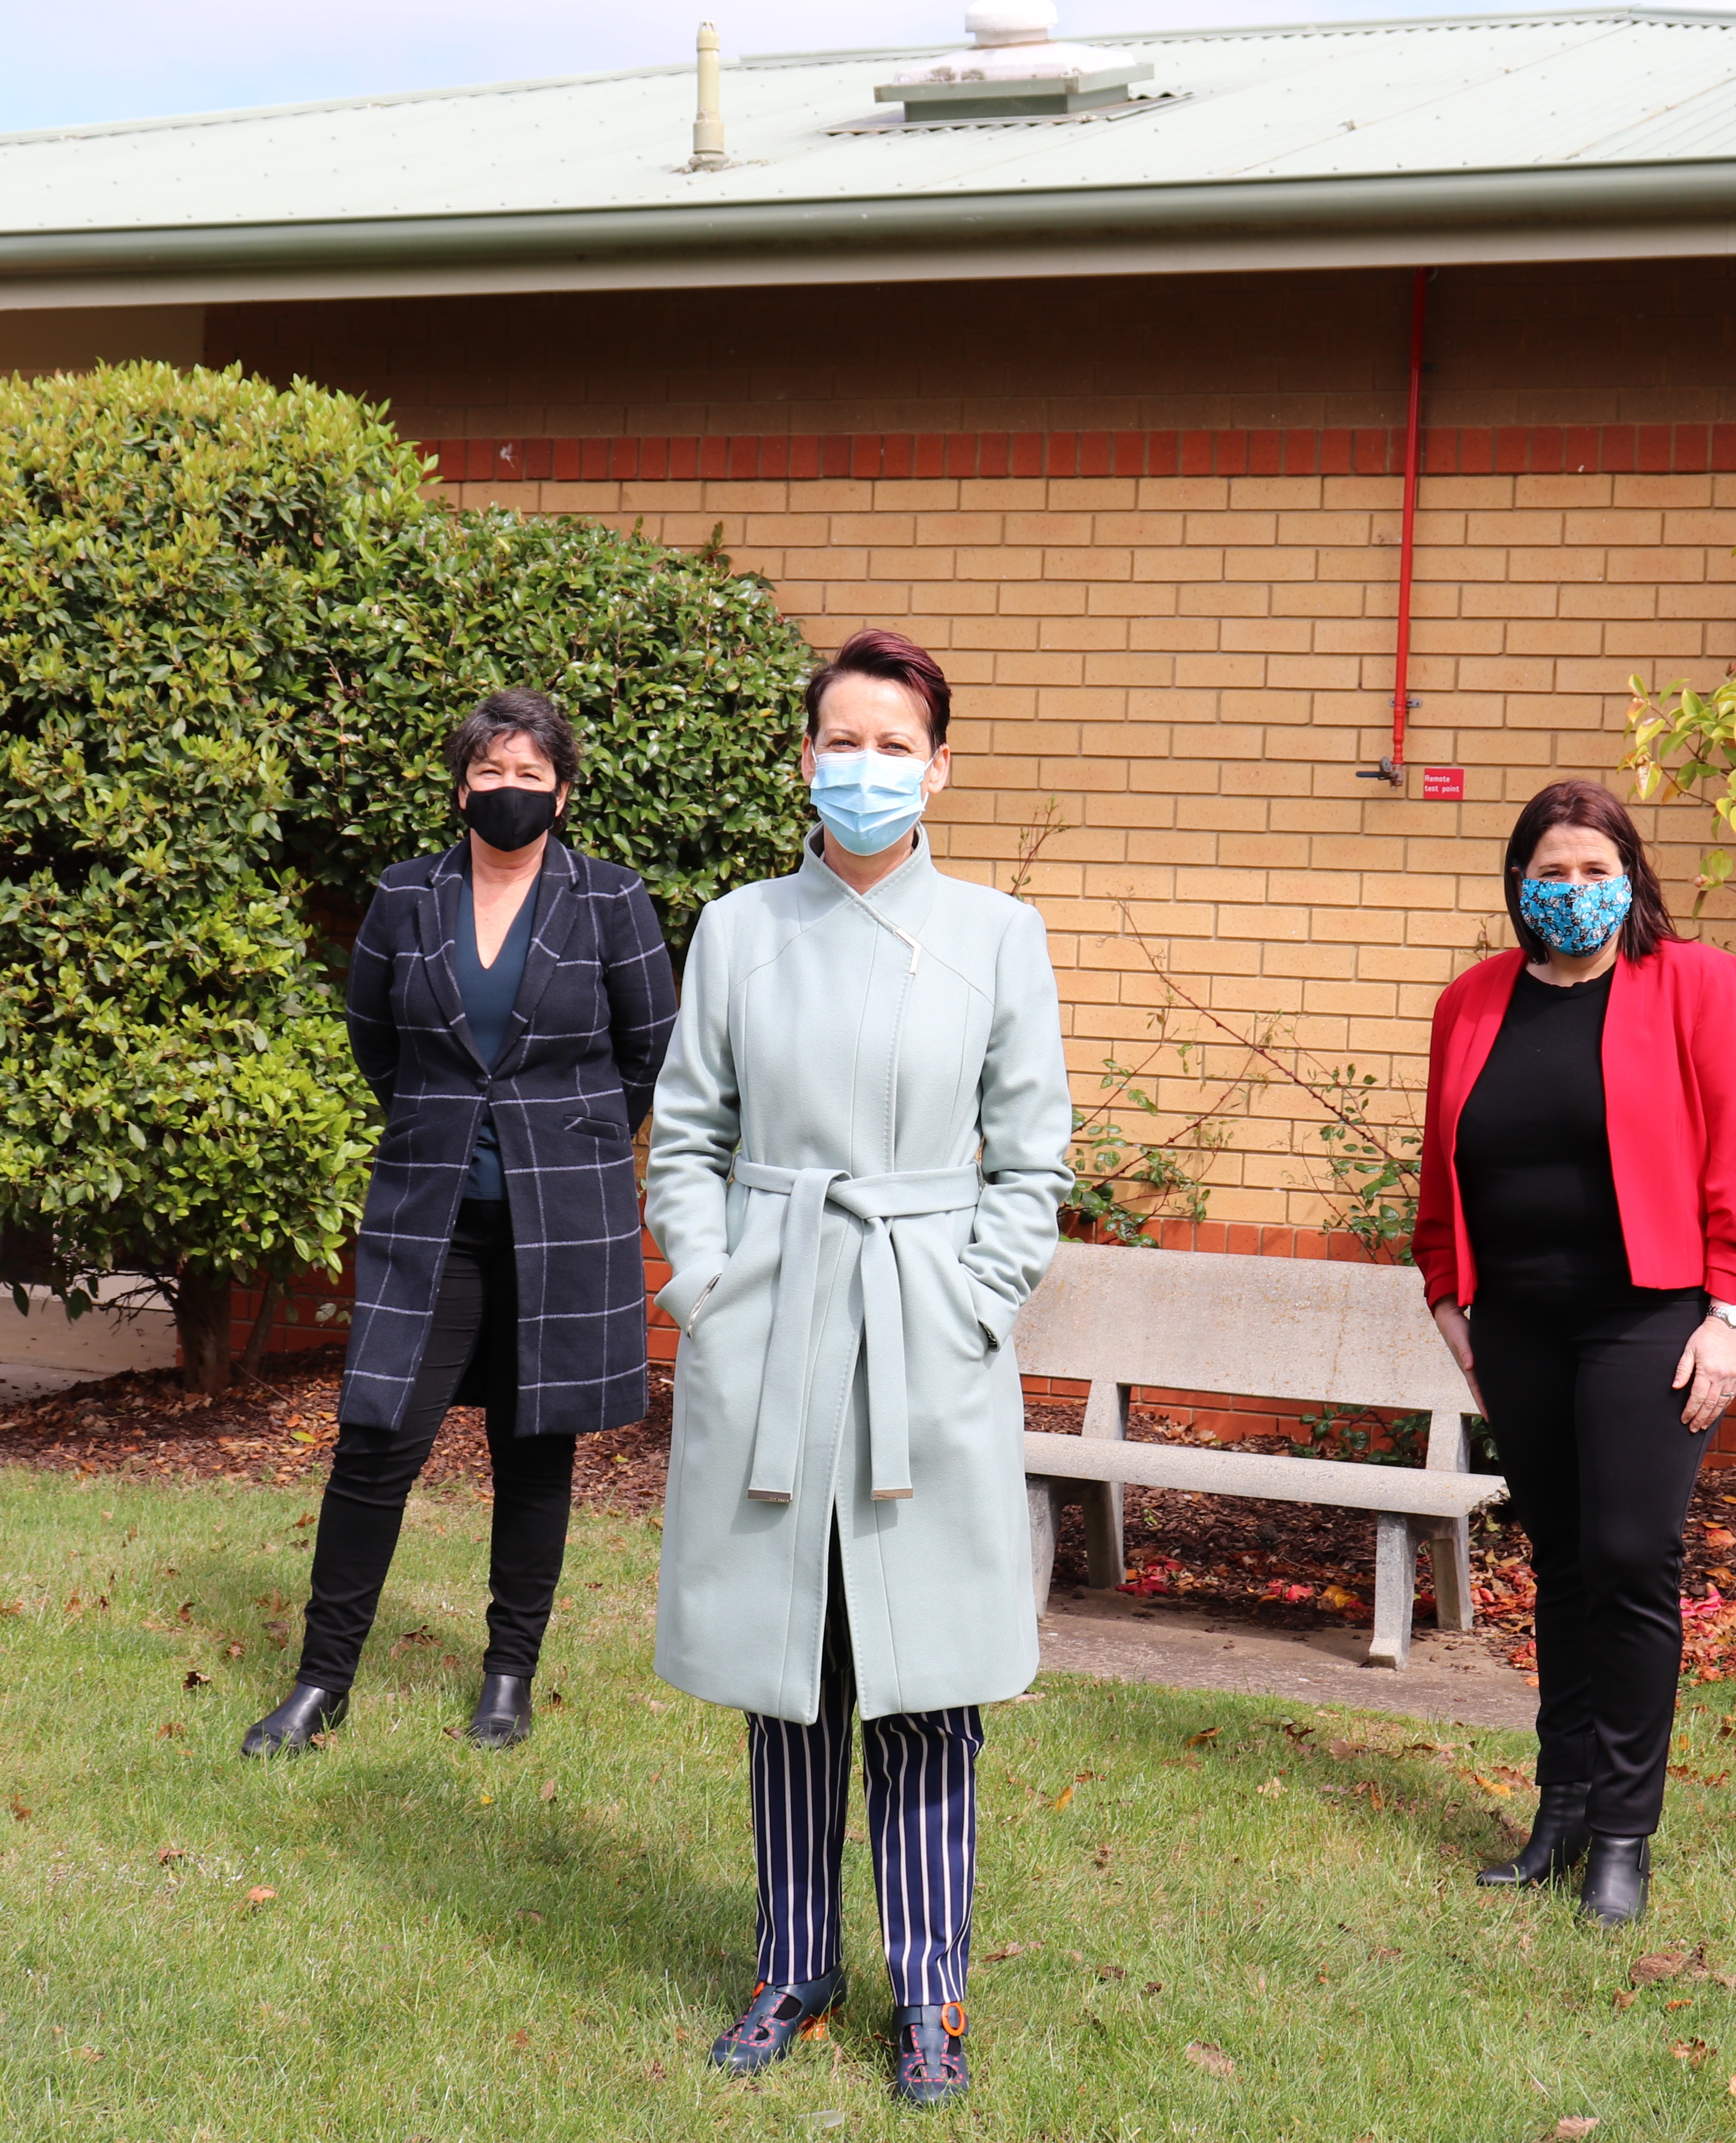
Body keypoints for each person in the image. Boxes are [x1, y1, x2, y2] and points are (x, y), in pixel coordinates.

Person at [643, 627, 1070, 2110]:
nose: (868, 768)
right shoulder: (736, 930)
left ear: (940, 766)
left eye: (898, 745)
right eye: (845, 740)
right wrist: (709, 1291)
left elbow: (1032, 1163)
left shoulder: (1002, 933)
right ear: (804, 758)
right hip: (774, 1317)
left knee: (926, 1672)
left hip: (924, 1332)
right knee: (791, 1668)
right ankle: (794, 1961)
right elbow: (687, 1132)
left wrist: (971, 1302)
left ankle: (934, 1990)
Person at [243, 688, 677, 1758]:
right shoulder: (404, 898)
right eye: (492, 773)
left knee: (536, 1447)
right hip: (429, 1211)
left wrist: (569, 1141)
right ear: (462, 785)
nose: (510, 792)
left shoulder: (611, 900)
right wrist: (449, 1126)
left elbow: (649, 1048)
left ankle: (508, 1675)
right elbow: (375, 1042)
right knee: (377, 1438)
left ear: (563, 792)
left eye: (532, 776)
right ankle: (321, 1681)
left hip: (562, 1218)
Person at [1414, 778, 1736, 1926]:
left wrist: (1731, 1312)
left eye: (1593, 870)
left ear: (1631, 877)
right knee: (1562, 1567)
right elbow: (1443, 1160)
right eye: (1551, 872)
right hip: (1517, 1323)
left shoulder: (1695, 983)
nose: (1573, 891)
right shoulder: (1472, 1002)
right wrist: (1446, 1293)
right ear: (1519, 885)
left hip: (1651, 1320)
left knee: (1628, 1560)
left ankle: (1624, 1834)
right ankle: (1560, 1812)